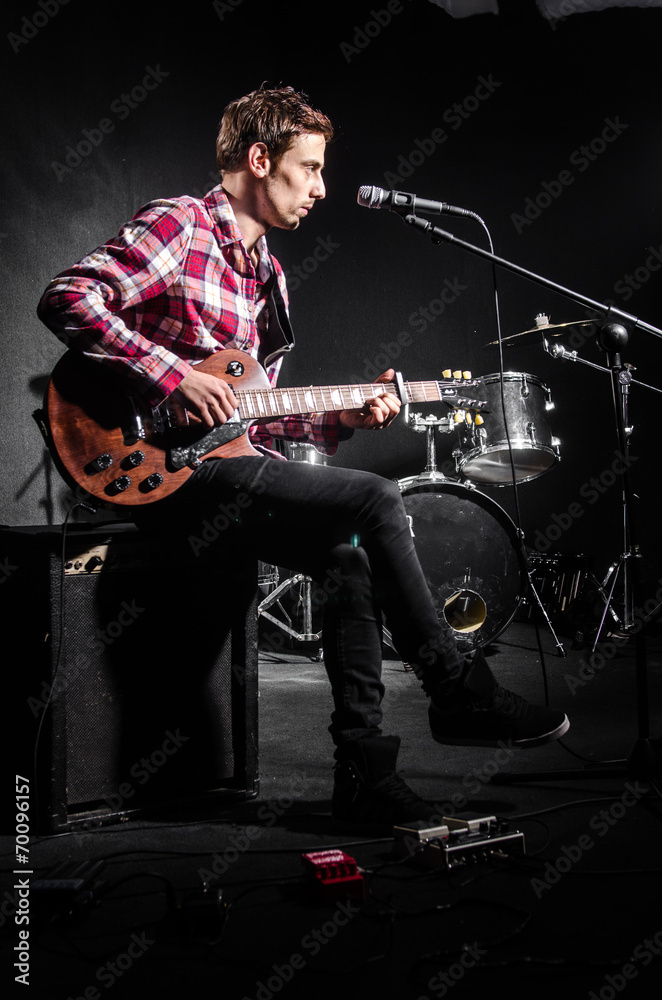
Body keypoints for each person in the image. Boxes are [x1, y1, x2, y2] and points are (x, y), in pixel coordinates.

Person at [37, 85, 569, 834]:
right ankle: (456, 686)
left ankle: (365, 776)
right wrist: (171, 376)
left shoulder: (272, 283)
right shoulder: (181, 225)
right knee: (380, 500)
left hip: (217, 474)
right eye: (310, 168)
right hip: (148, 470)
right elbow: (69, 297)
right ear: (260, 160)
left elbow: (257, 431)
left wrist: (343, 421)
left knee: (349, 553)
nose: (320, 188)